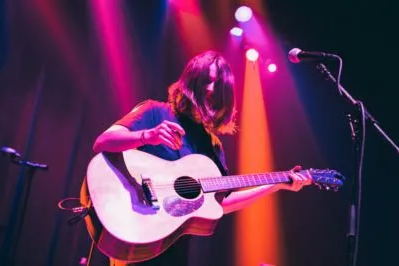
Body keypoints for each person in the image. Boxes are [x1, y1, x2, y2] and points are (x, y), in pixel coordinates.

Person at [92, 50, 312, 266]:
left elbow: (221, 203)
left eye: (219, 87)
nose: (210, 90)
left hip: (175, 250)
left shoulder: (213, 145)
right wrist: (147, 135)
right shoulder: (154, 111)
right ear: (190, 81)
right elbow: (103, 142)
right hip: (134, 235)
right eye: (206, 81)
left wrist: (277, 184)